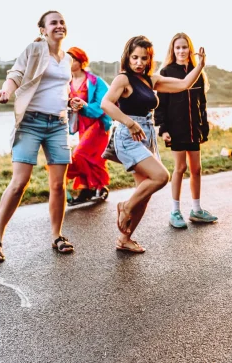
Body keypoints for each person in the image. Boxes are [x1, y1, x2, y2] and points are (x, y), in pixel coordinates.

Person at [0, 11, 86, 263]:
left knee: (57, 185)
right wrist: (6, 91)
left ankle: (57, 235)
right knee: (20, 182)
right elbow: (16, 74)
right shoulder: (34, 49)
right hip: (31, 122)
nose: (59, 25)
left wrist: (70, 100)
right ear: (43, 29)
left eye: (62, 21)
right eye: (53, 22)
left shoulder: (68, 58)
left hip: (58, 124)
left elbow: (62, 86)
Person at [101, 36, 205, 253]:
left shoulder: (151, 80)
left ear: (150, 60)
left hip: (146, 135)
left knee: (144, 193)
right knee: (161, 177)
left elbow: (184, 84)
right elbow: (106, 104)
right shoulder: (123, 79)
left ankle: (125, 239)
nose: (139, 62)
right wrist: (129, 123)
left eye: (143, 58)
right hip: (128, 136)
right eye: (135, 57)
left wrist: (201, 66)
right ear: (127, 57)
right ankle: (126, 206)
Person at [155, 33, 217, 228]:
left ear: (190, 50)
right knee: (180, 168)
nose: (181, 51)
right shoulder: (166, 72)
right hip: (176, 128)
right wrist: (163, 128)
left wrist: (204, 128)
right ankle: (175, 211)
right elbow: (160, 104)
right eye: (177, 47)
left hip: (194, 129)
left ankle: (197, 210)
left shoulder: (197, 72)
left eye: (184, 47)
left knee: (197, 169)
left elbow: (202, 104)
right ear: (173, 50)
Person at [65, 47, 113, 205]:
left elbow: (103, 105)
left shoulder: (94, 81)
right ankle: (87, 190)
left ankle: (93, 186)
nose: (69, 62)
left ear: (81, 62)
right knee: (89, 158)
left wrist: (84, 105)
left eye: (73, 59)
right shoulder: (67, 82)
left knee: (79, 154)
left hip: (98, 124)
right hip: (82, 125)